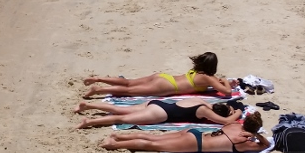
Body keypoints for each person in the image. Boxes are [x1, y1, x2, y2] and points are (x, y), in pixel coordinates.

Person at [100, 111, 269, 153]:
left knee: (153, 137)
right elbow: (265, 145)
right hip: (196, 144)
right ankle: (114, 144)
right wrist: (256, 135)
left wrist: (252, 131)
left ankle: (118, 135)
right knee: (152, 145)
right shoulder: (244, 142)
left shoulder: (234, 125)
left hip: (194, 133)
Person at [82, 52, 235, 98]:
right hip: (167, 86)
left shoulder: (197, 71)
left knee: (128, 83)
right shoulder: (208, 78)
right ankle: (97, 90)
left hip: (163, 77)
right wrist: (226, 82)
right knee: (129, 92)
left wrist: (221, 82)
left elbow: (214, 85)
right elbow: (227, 92)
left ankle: (98, 78)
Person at [74, 98, 240, 129]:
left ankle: (87, 105)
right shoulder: (204, 111)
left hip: (157, 103)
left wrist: (230, 108)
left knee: (120, 110)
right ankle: (88, 122)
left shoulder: (202, 103)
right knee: (122, 118)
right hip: (160, 113)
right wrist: (238, 111)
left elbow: (223, 113)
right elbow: (227, 122)